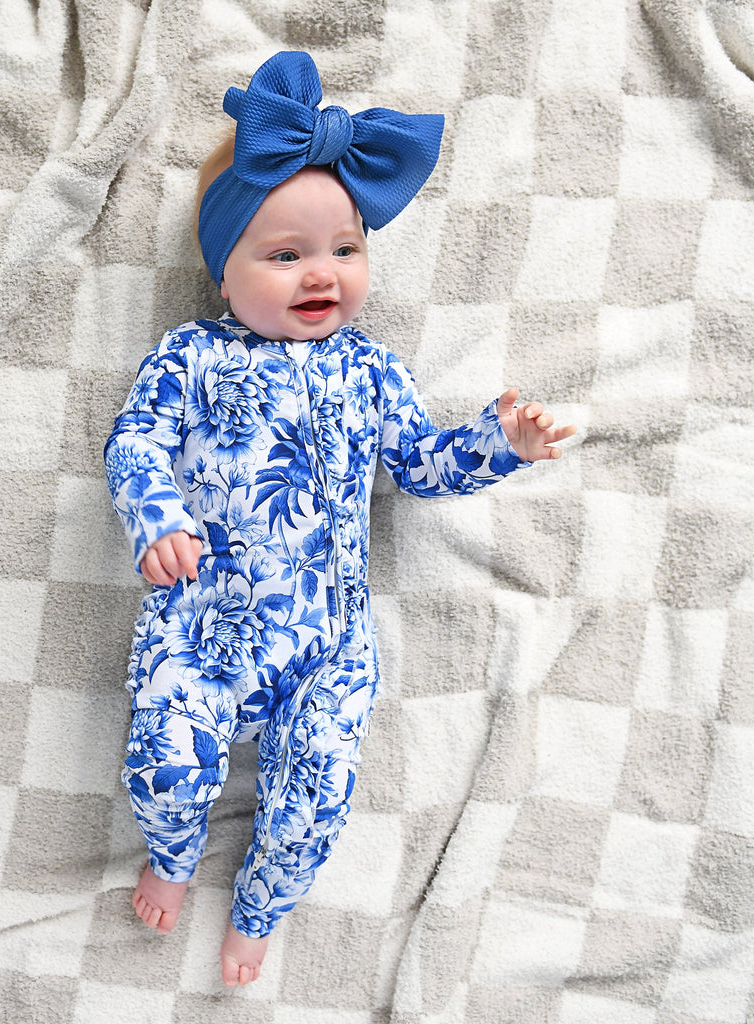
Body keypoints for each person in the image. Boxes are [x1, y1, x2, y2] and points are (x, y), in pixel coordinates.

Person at [104, 50, 575, 987]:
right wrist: (155, 519)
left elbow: (420, 465)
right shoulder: (191, 356)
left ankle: (260, 906)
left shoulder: (372, 369)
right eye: (285, 256)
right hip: (201, 623)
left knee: (315, 798)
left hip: (327, 644)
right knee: (166, 759)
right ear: (224, 272)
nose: (321, 274)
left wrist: (500, 442)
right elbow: (135, 442)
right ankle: (171, 852)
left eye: (344, 250)